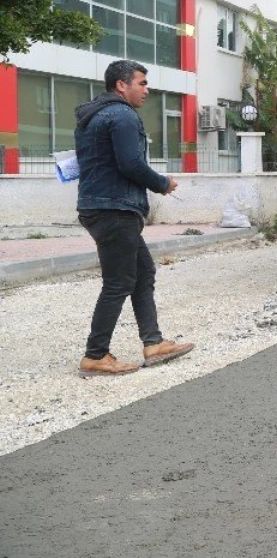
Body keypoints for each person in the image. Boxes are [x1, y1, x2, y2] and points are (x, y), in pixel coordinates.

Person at [74, 60, 195, 377]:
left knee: (142, 272)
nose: (146, 89)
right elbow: (130, 163)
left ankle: (153, 343)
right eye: (141, 83)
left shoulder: (94, 116)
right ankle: (95, 355)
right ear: (121, 85)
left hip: (101, 205)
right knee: (119, 282)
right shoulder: (122, 115)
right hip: (115, 208)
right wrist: (162, 183)